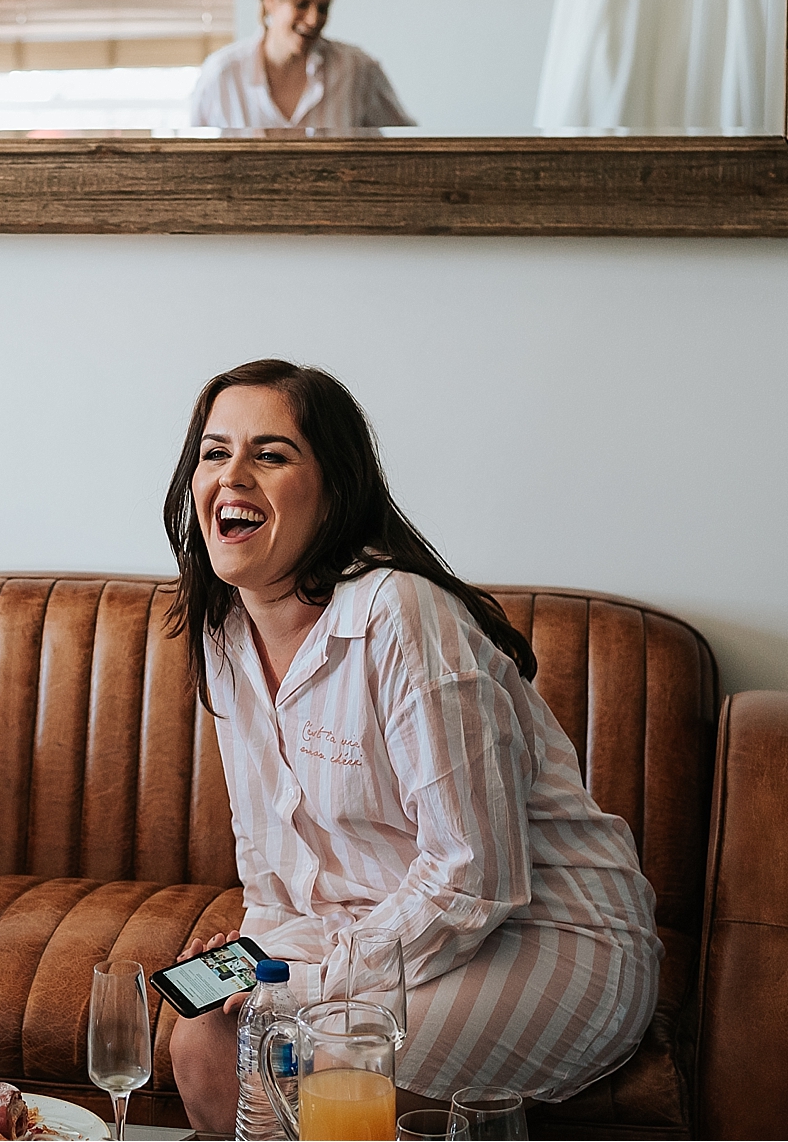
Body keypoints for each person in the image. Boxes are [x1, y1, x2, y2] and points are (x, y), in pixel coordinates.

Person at [161, 359, 660, 1131]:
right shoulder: (226, 630)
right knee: (199, 1036)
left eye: (271, 453)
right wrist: (262, 949)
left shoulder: (403, 616)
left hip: (547, 933)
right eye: (214, 452)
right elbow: (277, 871)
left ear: (335, 489)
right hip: (377, 927)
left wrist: (312, 981)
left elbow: (473, 879)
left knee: (325, 1058)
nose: (234, 476)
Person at [186, 0, 411, 130]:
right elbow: (193, 161)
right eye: (301, 4)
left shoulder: (358, 70)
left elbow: (406, 146)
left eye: (323, 7)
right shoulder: (221, 73)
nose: (314, 19)